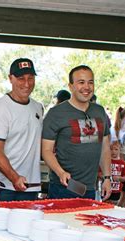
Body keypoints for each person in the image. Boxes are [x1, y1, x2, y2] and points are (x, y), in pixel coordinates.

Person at [42, 65, 111, 200]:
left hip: (90, 189)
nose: (86, 87)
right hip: (62, 187)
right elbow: (46, 150)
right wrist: (60, 172)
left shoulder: (99, 111)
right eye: (81, 82)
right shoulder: (55, 113)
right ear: (71, 86)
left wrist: (107, 177)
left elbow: (105, 147)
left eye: (90, 82)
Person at [0, 58, 43, 201]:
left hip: (31, 186)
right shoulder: (0, 107)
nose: (26, 84)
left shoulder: (38, 107)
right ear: (10, 78)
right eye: (21, 78)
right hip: (5, 187)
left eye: (30, 78)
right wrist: (14, 177)